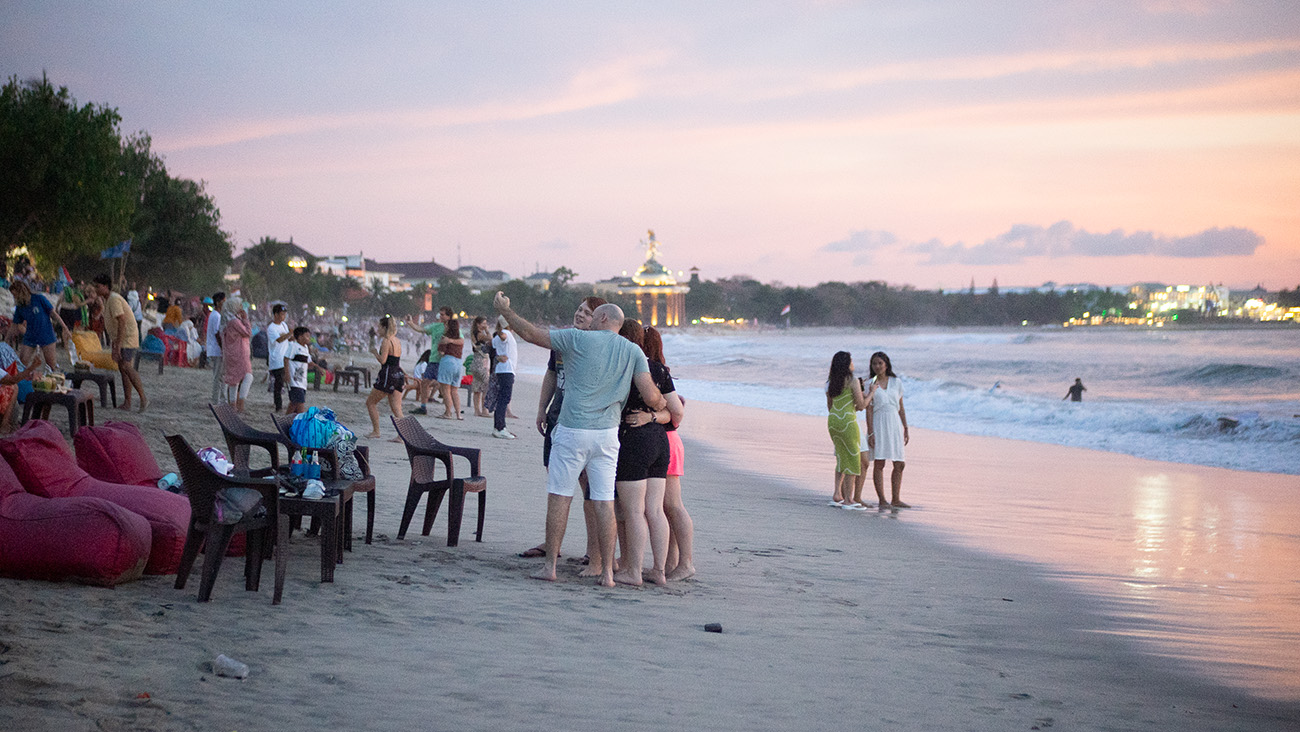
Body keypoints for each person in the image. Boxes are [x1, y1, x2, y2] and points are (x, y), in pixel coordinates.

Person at [494, 291, 665, 588]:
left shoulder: (577, 338)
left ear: (601, 319)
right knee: (603, 501)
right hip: (607, 436)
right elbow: (651, 396)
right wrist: (662, 406)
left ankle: (550, 567)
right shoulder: (633, 351)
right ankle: (609, 573)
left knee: (560, 495)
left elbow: (531, 334)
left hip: (572, 429)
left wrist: (506, 311)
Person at [519, 297, 607, 566]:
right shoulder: (561, 341)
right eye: (579, 309)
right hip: (558, 416)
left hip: (584, 422)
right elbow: (551, 375)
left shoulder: (601, 347)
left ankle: (594, 550)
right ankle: (552, 544)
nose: (580, 314)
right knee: (557, 483)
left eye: (587, 313)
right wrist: (541, 409)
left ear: (600, 320)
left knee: (589, 489)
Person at [613, 319, 682, 587]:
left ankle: (633, 570)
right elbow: (676, 412)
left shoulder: (621, 366)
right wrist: (653, 416)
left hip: (633, 441)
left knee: (632, 510)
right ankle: (659, 571)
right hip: (659, 442)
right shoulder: (658, 369)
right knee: (655, 510)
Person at [643, 326, 694, 581]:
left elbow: (675, 412)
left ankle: (685, 562)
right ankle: (673, 561)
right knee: (667, 506)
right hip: (669, 440)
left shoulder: (653, 372)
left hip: (667, 440)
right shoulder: (660, 371)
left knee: (673, 505)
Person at [92, 274, 147, 412]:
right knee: (123, 368)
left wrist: (118, 345)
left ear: (105, 286)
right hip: (122, 337)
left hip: (127, 337)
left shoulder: (114, 299)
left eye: (98, 286)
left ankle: (143, 398)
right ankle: (127, 402)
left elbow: (122, 321)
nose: (96, 289)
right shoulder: (108, 300)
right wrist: (115, 343)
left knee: (126, 366)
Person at [826, 351, 873, 508]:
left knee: (841, 456)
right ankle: (848, 499)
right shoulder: (852, 380)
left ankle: (837, 494)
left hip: (833, 421)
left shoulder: (830, 382)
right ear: (847, 364)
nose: (853, 363)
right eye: (851, 361)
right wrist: (871, 392)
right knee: (853, 457)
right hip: (848, 421)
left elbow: (830, 406)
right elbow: (860, 406)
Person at [866, 351, 909, 508]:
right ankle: (882, 500)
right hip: (879, 423)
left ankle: (896, 498)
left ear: (886, 364)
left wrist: (905, 427)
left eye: (880, 363)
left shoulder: (896, 382)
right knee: (880, 462)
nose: (877, 366)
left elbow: (901, 407)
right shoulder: (870, 384)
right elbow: (868, 410)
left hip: (895, 423)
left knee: (899, 463)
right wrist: (871, 432)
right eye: (874, 364)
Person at [9, 281, 65, 373]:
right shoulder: (20, 307)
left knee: (51, 364)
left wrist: (64, 327)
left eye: (15, 295)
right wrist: (7, 339)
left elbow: (53, 314)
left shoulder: (39, 299)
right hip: (30, 336)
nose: (15, 298)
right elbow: (15, 325)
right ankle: (21, 382)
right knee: (22, 362)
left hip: (46, 334)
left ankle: (53, 380)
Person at [364, 315, 404, 439]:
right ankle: (403, 436)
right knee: (396, 408)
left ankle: (376, 431)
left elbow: (383, 360)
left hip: (388, 374)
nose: (378, 330)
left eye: (379, 327)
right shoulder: (396, 340)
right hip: (398, 373)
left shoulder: (386, 341)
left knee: (370, 402)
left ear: (384, 327)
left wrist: (375, 352)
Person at [220, 296, 253, 413]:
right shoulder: (235, 321)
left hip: (231, 353)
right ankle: (241, 403)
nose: (241, 308)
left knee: (234, 379)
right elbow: (248, 332)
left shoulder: (227, 320)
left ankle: (233, 404)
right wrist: (246, 319)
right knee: (248, 376)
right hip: (239, 353)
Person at [490, 315, 518, 439]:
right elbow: (503, 338)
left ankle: (501, 426)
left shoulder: (497, 336)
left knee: (502, 398)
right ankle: (499, 427)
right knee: (504, 399)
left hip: (503, 370)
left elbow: (494, 347)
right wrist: (501, 332)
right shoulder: (505, 333)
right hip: (506, 370)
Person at [435, 318, 465, 420]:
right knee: (454, 390)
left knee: (446, 390)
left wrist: (440, 346)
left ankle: (448, 412)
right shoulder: (459, 340)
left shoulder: (445, 338)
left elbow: (442, 352)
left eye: (446, 325)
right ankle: (458, 414)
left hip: (448, 361)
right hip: (458, 362)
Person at [265, 304, 292, 412]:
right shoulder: (271, 328)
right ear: (275, 315)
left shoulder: (284, 325)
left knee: (287, 381)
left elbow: (286, 339)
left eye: (284, 314)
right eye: (281, 314)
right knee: (278, 383)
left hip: (285, 357)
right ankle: (278, 405)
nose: (283, 316)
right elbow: (279, 339)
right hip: (276, 359)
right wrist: (289, 334)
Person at [284, 326, 313, 415]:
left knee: (294, 403)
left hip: (302, 381)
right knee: (300, 404)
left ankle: (285, 419)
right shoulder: (294, 346)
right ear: (300, 337)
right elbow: (286, 359)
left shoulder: (306, 348)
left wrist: (318, 368)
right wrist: (287, 374)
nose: (309, 338)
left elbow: (309, 362)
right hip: (294, 380)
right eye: (307, 336)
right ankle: (301, 423)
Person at [469, 316, 492, 417]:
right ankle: (484, 410)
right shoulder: (479, 334)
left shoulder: (473, 333)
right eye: (484, 323)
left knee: (477, 388)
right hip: (481, 363)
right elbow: (490, 338)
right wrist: (487, 330)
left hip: (475, 361)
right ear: (478, 324)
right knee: (486, 387)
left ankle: (476, 410)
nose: (485, 325)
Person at [205, 292, 226, 402]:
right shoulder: (216, 316)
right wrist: (223, 348)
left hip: (214, 349)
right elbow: (217, 334)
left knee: (219, 376)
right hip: (217, 350)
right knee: (218, 377)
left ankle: (220, 399)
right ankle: (216, 400)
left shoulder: (215, 315)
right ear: (218, 303)